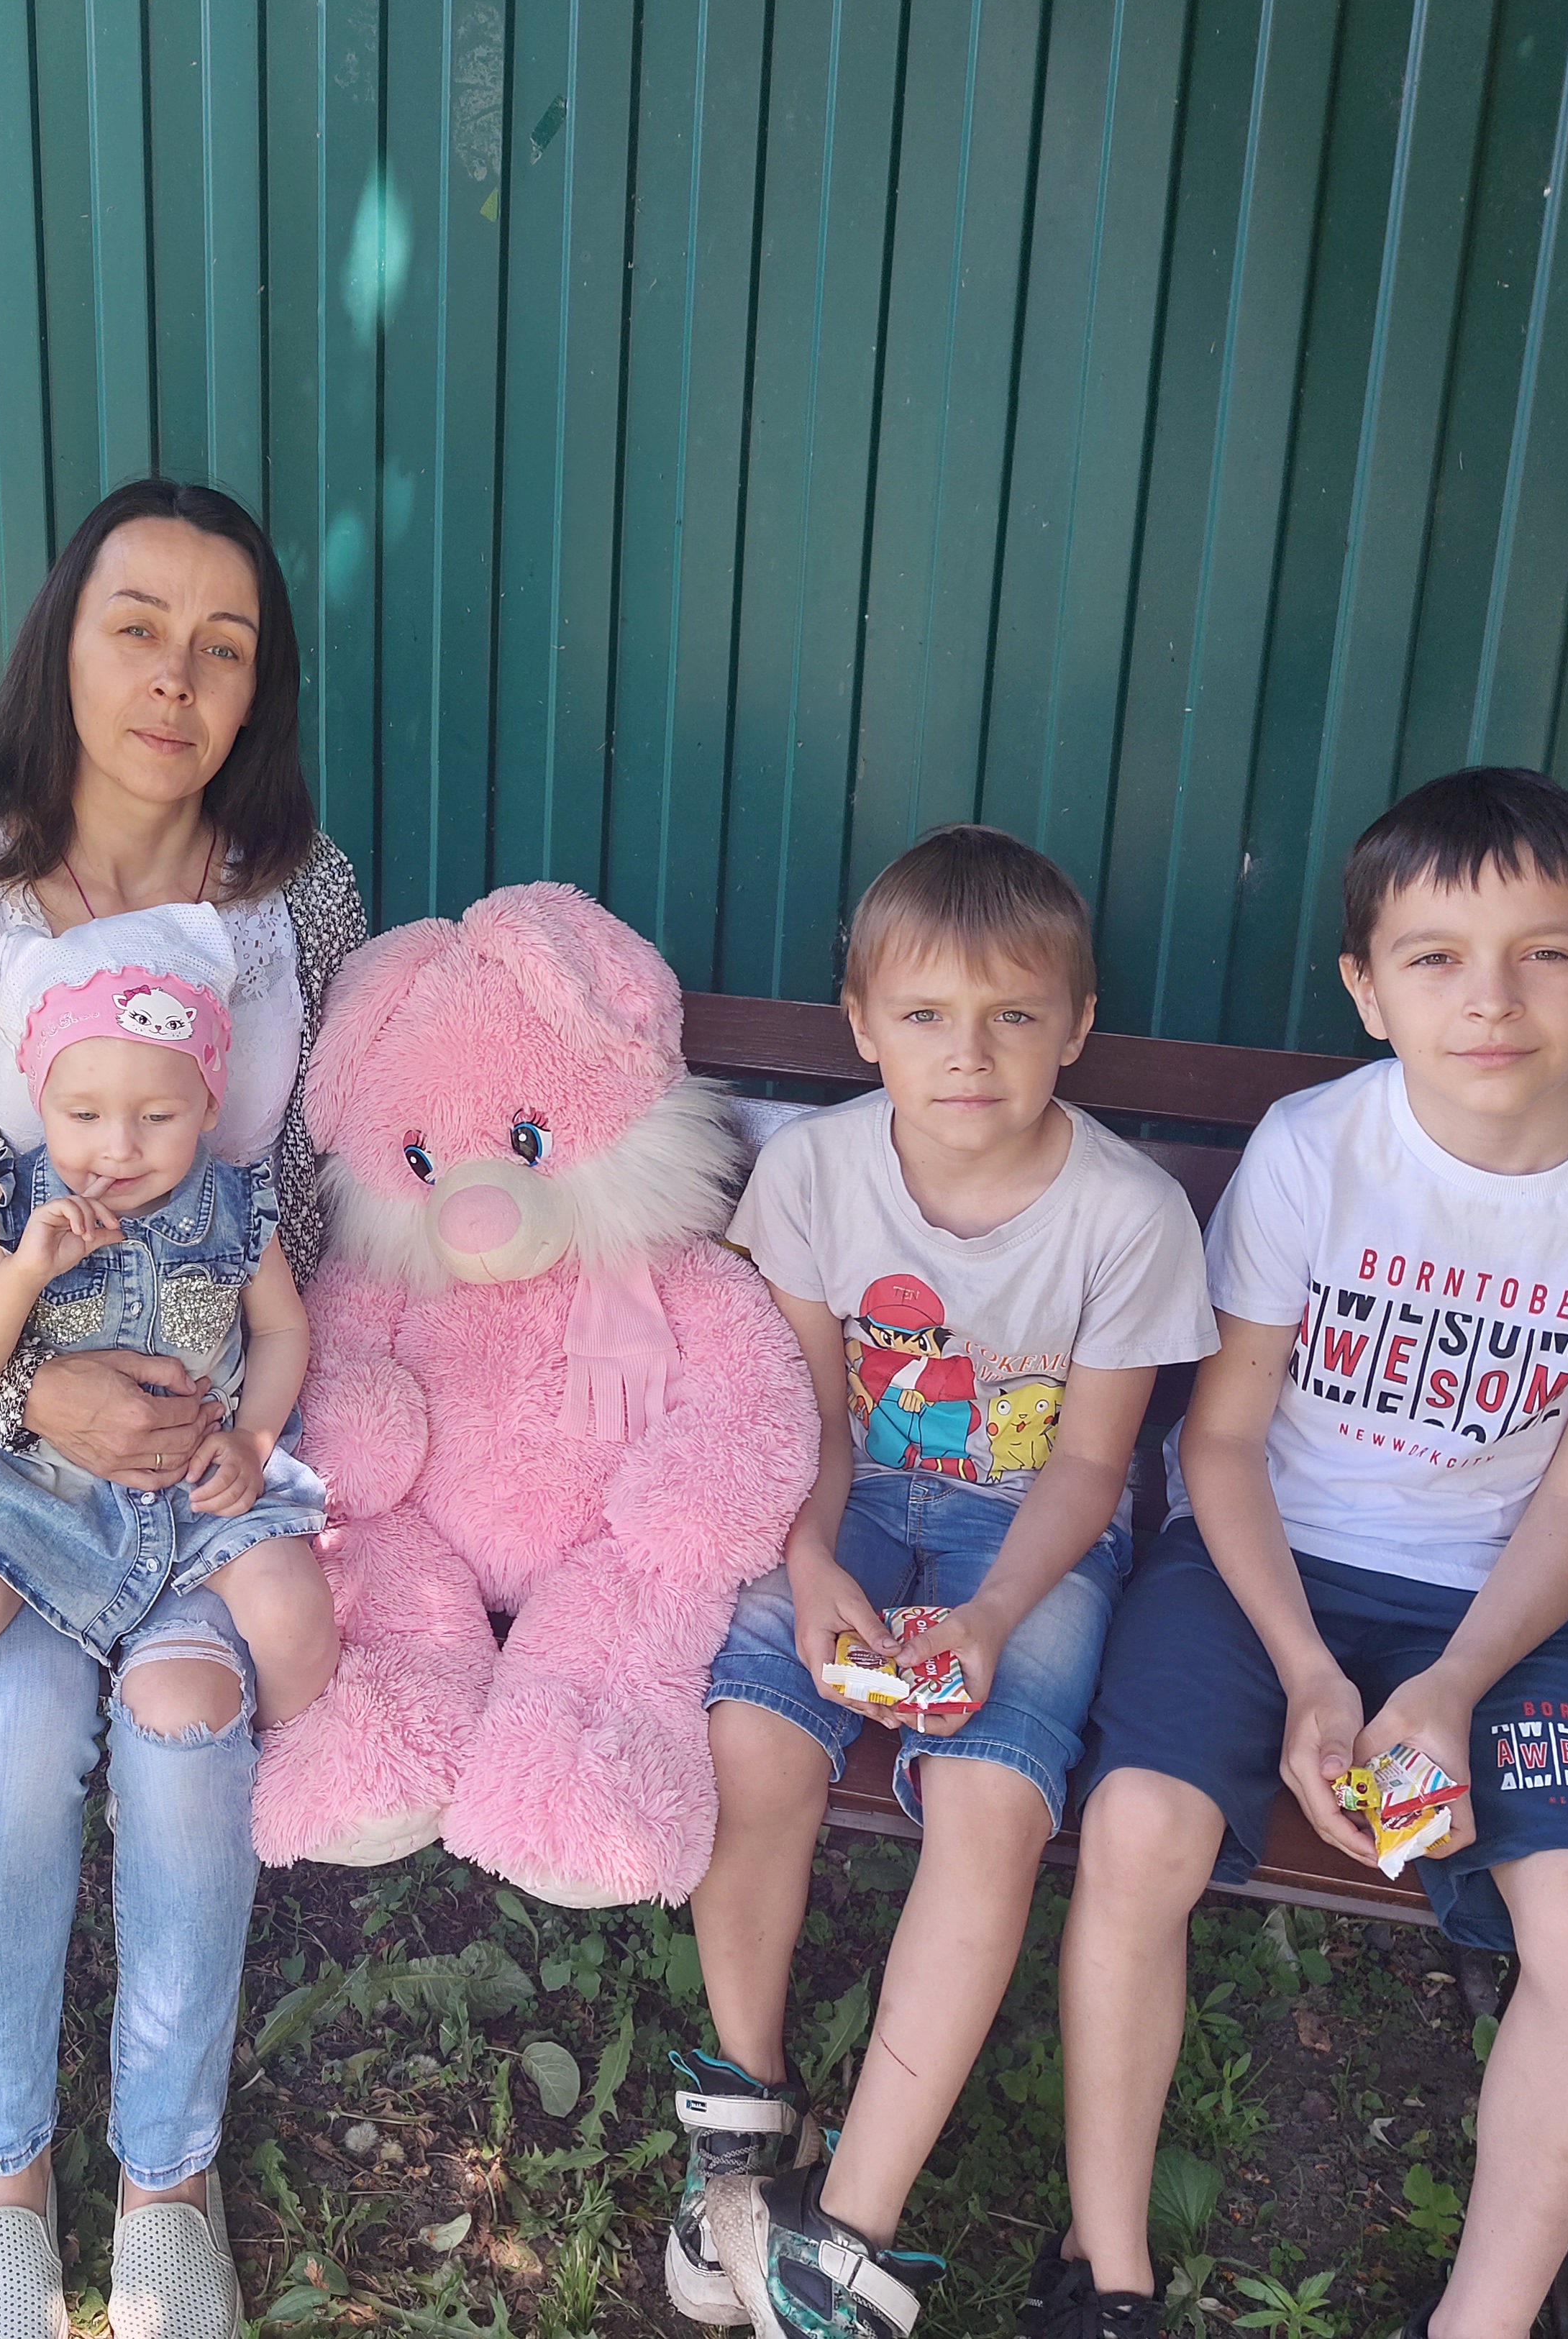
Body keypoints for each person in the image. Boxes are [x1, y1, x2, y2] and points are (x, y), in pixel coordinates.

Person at [1039, 769, 1568, 2339]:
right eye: (1436, 958)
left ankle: (1479, 2321)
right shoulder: (1317, 1149)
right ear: (1367, 990)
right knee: (1139, 1830)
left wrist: (1452, 1682)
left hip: (1499, 1609)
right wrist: (1308, 1670)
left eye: (1546, 954)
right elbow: (1220, 1441)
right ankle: (1106, 2274)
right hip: (1257, 1570)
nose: (1489, 999)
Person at [0, 478, 367, 2339]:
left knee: (185, 1724)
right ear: (62, 644)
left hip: (213, 1437)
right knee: (5, 1734)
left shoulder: (302, 895)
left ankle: (168, 2172)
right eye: (136, 627)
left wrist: (226, 1417)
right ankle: (1, 2166)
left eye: (224, 647)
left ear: (257, 689)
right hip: (2, 1430)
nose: (175, 678)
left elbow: (307, 1195)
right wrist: (35, 1385)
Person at [673, 826, 1218, 2338]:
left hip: (1031, 1534)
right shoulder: (814, 1171)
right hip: (843, 1501)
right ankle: (748, 2113)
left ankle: (847, 2232)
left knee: (989, 1800)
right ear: (861, 1025)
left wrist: (987, 1616)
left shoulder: (1125, 1214)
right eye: (923, 1015)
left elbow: (1092, 1467)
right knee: (748, 1737)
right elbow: (807, 1418)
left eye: (1011, 1016)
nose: (966, 1054)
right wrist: (805, 1559)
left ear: (1076, 1026)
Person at [0, 905, 337, 2007]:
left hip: (195, 1478)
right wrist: (20, 1274)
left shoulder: (237, 1205)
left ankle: (287, 1791)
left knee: (295, 1607)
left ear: (209, 1103)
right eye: (83, 1113)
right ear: (39, 1098)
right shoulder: (15, 1206)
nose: (118, 1146)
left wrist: (253, 1439)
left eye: (158, 1114)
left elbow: (284, 1329)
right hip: (37, 1482)